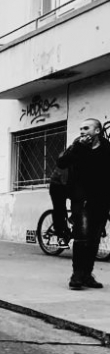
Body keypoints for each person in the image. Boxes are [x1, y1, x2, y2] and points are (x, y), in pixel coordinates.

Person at [57, 118, 110, 291]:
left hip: (101, 200)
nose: (82, 131)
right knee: (82, 235)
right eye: (80, 128)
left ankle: (87, 274)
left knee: (94, 238)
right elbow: (61, 162)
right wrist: (77, 146)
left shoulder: (107, 148)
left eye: (86, 128)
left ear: (97, 131)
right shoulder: (77, 147)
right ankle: (77, 274)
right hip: (81, 199)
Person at [49, 165, 71, 248]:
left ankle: (69, 225)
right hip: (56, 186)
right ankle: (59, 233)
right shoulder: (66, 162)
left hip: (64, 185)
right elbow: (64, 181)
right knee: (59, 209)